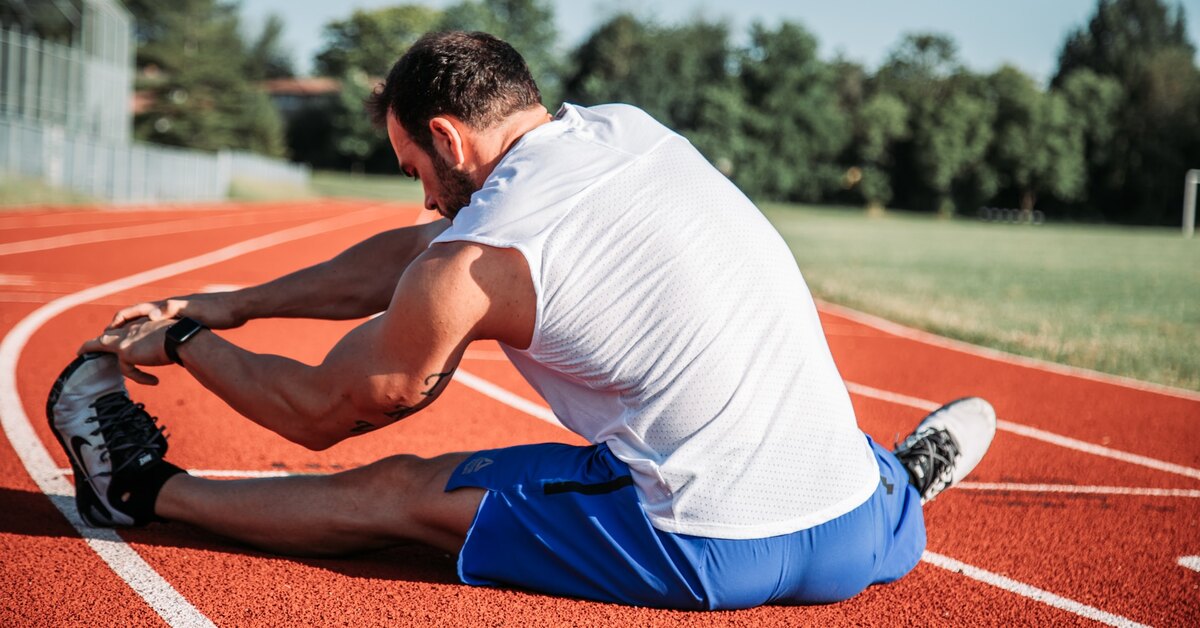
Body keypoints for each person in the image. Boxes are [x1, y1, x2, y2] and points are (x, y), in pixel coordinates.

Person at [48, 31, 996, 609]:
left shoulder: (474, 259)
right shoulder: (624, 130)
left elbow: (321, 409)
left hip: (705, 543)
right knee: (785, 406)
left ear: (450, 140)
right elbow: (421, 255)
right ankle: (901, 484)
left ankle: (138, 492)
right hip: (853, 535)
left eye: (414, 169)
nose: (420, 197)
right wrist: (236, 303)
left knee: (397, 493)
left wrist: (184, 339)